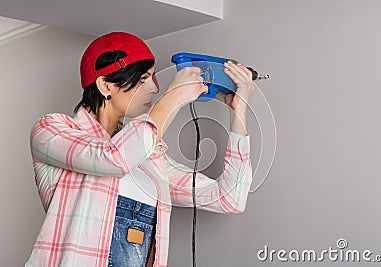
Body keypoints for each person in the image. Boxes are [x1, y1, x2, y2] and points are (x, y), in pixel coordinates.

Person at [27, 31, 254, 267]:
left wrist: (239, 110)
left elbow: (230, 199)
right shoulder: (51, 129)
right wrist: (173, 98)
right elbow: (112, 159)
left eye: (153, 78)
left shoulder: (150, 155)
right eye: (143, 78)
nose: (154, 88)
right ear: (105, 85)